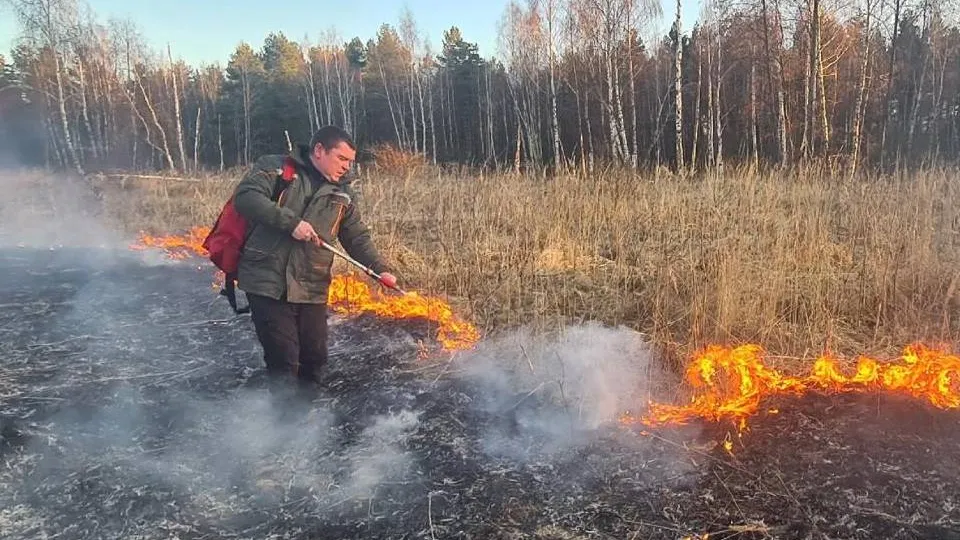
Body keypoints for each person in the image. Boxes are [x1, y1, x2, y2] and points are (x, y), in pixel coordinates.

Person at [232, 125, 397, 392]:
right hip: (267, 282)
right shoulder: (276, 169)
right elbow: (246, 198)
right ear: (319, 150)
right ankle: (282, 425)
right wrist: (290, 222)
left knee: (315, 359)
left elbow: (356, 236)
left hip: (311, 285)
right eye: (341, 159)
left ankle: (306, 422)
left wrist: (379, 269)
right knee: (284, 360)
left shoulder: (343, 194)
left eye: (350, 162)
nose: (346, 167)